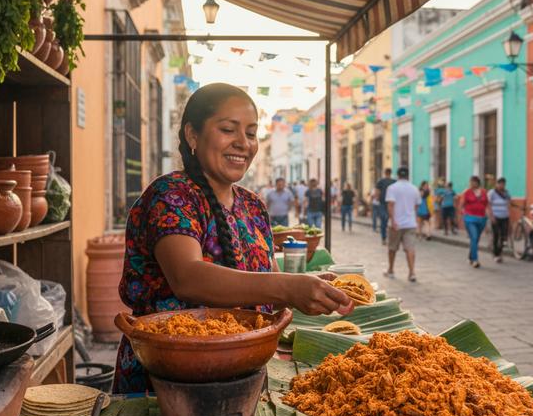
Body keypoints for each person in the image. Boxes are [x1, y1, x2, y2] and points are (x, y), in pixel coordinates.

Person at [113, 83, 352, 393]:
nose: (244, 143)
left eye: (251, 134)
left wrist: (311, 285)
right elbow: (188, 277)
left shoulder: (253, 206)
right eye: (229, 130)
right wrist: (289, 288)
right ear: (192, 135)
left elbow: (265, 283)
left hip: (243, 372)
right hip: (168, 379)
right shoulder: (171, 195)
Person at [384, 166, 421, 282]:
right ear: (408, 175)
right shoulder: (414, 189)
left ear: (398, 175)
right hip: (410, 223)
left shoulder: (392, 188)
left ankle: (390, 270)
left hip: (396, 224)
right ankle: (412, 273)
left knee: (392, 248)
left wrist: (393, 220)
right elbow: (416, 205)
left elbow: (390, 205)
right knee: (410, 248)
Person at [459, 176, 491, 268]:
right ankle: (475, 260)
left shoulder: (484, 192)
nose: (471, 184)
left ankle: (470, 256)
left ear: (477, 183)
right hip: (469, 218)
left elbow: (487, 205)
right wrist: (462, 215)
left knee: (476, 239)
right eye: (470, 182)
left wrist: (490, 216)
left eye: (473, 182)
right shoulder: (466, 192)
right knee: (474, 236)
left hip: (481, 219)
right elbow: (461, 205)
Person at [488, 177, 512, 262]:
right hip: (496, 217)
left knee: (503, 236)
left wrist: (509, 216)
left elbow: (509, 204)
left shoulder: (506, 193)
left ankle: (500, 252)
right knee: (496, 235)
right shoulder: (492, 193)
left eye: (503, 184)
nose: (502, 185)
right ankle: (496, 254)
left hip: (505, 217)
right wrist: (491, 216)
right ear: (497, 184)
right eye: (500, 183)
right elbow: (489, 205)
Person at [375, 168, 395, 245]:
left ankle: (384, 238)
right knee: (392, 220)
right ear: (390, 173)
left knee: (384, 221)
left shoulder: (381, 181)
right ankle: (391, 238)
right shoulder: (394, 181)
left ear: (385, 173)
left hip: (383, 203)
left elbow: (377, 191)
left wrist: (377, 198)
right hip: (392, 203)